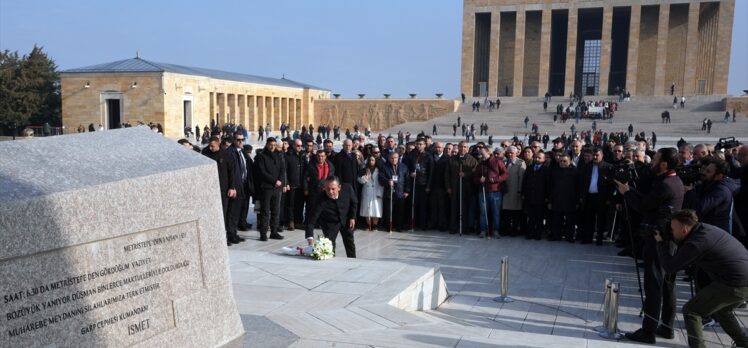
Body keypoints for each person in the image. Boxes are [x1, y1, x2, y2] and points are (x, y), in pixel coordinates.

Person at [615, 147, 685, 344]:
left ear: (663, 164)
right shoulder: (673, 180)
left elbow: (644, 206)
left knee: (654, 285)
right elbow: (650, 202)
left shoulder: (666, 184)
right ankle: (667, 327)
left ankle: (648, 331)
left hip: (658, 240)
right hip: (667, 239)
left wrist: (626, 192)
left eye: (655, 159)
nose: (652, 162)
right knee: (667, 285)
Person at [656, 210, 748, 348]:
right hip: (742, 278)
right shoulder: (704, 228)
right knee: (723, 310)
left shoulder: (697, 243)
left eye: (673, 229)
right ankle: (743, 343)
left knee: (692, 311)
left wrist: (662, 243)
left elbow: (670, 267)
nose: (671, 232)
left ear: (685, 229)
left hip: (735, 283)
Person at [304, 178, 358, 258]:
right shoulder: (320, 199)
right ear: (324, 188)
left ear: (339, 187)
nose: (330, 192)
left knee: (349, 241)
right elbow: (311, 220)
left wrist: (352, 217)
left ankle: (353, 261)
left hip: (345, 218)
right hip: (329, 222)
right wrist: (310, 240)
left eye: (333, 189)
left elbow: (354, 202)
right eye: (328, 189)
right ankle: (331, 261)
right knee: (329, 244)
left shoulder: (348, 189)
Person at [201, 136, 236, 245]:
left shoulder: (226, 154)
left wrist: (232, 187)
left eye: (213, 146)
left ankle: (222, 238)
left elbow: (232, 172)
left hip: (223, 189)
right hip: (210, 189)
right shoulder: (205, 153)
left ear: (218, 144)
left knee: (223, 214)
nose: (211, 148)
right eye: (210, 146)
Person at [579, 147, 613, 245]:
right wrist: (582, 196)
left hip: (601, 197)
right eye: (593, 155)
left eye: (597, 155)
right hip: (589, 196)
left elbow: (611, 185)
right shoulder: (587, 166)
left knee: (601, 219)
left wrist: (609, 198)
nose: (594, 157)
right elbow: (582, 183)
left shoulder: (608, 167)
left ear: (602, 155)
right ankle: (588, 238)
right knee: (588, 218)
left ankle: (599, 239)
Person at [255, 138, 286, 241]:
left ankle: (274, 231)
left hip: (277, 188)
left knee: (276, 210)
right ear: (267, 145)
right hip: (266, 188)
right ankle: (263, 233)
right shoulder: (262, 156)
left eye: (274, 144)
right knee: (265, 211)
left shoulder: (278, 155)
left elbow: (282, 169)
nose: (272, 146)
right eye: (270, 145)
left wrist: (280, 181)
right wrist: (274, 181)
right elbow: (262, 172)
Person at [474, 145, 508, 239]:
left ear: (489, 152)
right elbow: (475, 177)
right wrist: (479, 180)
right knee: (483, 212)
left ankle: (495, 230)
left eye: (482, 153)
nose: (480, 154)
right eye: (480, 153)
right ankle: (483, 230)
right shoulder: (480, 164)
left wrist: (496, 179)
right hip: (483, 191)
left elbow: (505, 174)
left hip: (495, 191)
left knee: (496, 212)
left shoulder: (497, 162)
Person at [445, 141, 478, 234]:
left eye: (464, 147)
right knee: (454, 208)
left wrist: (466, 174)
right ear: (458, 148)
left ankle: (465, 228)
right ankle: (453, 227)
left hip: (467, 189)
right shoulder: (452, 159)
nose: (462, 148)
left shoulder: (472, 160)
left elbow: (475, 173)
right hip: (454, 187)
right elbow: (447, 174)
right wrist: (448, 187)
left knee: (465, 209)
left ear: (467, 148)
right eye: (461, 147)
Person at [549, 153, 579, 241]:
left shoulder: (575, 172)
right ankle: (556, 236)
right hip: (557, 199)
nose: (562, 163)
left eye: (564, 161)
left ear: (569, 162)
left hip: (570, 200)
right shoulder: (554, 171)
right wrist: (550, 201)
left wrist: (577, 201)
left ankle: (569, 236)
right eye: (561, 161)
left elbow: (578, 188)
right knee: (557, 220)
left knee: (570, 220)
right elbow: (550, 187)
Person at [378, 151, 411, 231]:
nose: (394, 159)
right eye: (392, 158)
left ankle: (399, 226)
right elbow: (381, 179)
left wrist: (407, 191)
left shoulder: (403, 167)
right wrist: (387, 181)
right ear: (389, 158)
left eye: (395, 158)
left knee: (400, 211)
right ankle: (389, 226)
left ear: (398, 158)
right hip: (389, 192)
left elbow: (407, 179)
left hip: (400, 192)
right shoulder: (384, 167)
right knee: (389, 211)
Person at [406, 139, 434, 229]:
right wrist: (411, 173)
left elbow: (431, 172)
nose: (419, 146)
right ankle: (412, 223)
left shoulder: (428, 156)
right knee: (413, 204)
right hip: (414, 183)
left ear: (425, 145)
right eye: (417, 144)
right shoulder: (412, 155)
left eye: (421, 144)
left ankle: (423, 224)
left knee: (423, 205)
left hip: (423, 184)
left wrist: (428, 186)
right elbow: (408, 168)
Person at [502, 146, 526, 236]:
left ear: (516, 153)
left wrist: (520, 190)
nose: (510, 154)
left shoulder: (520, 163)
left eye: (512, 153)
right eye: (508, 152)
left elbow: (522, 178)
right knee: (506, 212)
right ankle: (506, 229)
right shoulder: (504, 162)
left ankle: (514, 230)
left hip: (515, 191)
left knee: (515, 212)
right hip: (505, 191)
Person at [429, 142, 451, 231]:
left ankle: (442, 224)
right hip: (432, 186)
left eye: (440, 147)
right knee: (433, 206)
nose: (438, 149)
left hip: (443, 186)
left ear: (443, 148)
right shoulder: (430, 157)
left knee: (442, 207)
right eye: (436, 147)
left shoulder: (447, 158)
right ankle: (433, 223)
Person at [358, 156, 384, 231]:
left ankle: (375, 225)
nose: (371, 161)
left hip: (376, 191)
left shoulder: (379, 170)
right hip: (367, 191)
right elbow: (359, 180)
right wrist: (365, 177)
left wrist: (380, 192)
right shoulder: (364, 170)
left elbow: (381, 182)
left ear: (375, 161)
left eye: (373, 160)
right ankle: (368, 225)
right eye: (369, 160)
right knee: (367, 208)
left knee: (376, 209)